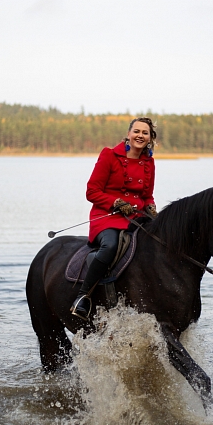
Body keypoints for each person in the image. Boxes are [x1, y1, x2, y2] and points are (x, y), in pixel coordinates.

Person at [70, 117, 159, 317]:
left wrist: (151, 208)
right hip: (107, 217)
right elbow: (91, 191)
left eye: (145, 133)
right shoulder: (109, 155)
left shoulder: (149, 163)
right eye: (136, 131)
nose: (140, 136)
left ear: (150, 138)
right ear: (128, 134)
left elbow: (147, 195)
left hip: (136, 217)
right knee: (110, 246)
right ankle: (83, 297)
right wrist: (117, 203)